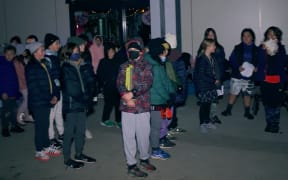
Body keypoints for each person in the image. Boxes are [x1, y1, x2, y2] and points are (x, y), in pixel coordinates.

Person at [117, 39, 155, 177]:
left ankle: (144, 159)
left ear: (141, 52)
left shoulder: (147, 66)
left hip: (142, 105)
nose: (131, 53)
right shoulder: (123, 66)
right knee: (128, 136)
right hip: (127, 106)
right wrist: (125, 97)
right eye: (129, 51)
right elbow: (119, 83)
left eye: (134, 51)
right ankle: (131, 164)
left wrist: (132, 94)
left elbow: (147, 83)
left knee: (143, 135)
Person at [61, 42, 96, 169]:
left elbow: (88, 82)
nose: (77, 54)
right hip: (72, 104)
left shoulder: (81, 65)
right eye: (75, 52)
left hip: (82, 102)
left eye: (78, 52)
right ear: (68, 53)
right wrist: (85, 98)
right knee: (69, 132)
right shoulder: (65, 67)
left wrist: (90, 94)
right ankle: (66, 158)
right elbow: (72, 89)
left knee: (81, 131)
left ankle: (79, 153)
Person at [25, 42, 61, 161]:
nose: (43, 52)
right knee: (40, 127)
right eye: (41, 50)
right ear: (35, 52)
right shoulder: (31, 67)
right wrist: (49, 97)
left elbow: (51, 81)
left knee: (45, 125)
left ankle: (46, 147)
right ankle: (39, 150)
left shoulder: (44, 63)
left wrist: (55, 94)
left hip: (46, 100)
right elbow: (35, 87)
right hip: (38, 102)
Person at [145, 38, 175, 159]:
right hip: (156, 100)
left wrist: (171, 90)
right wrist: (168, 98)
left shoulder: (156, 62)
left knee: (155, 125)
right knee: (156, 126)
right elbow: (158, 86)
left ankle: (154, 145)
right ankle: (155, 150)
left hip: (157, 99)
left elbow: (166, 80)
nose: (165, 54)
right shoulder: (155, 67)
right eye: (163, 52)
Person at [221, 28, 258, 120]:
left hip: (249, 77)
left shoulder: (257, 49)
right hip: (237, 75)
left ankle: (247, 112)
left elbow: (260, 61)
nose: (246, 38)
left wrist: (257, 68)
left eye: (248, 36)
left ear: (252, 37)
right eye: (244, 36)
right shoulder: (237, 47)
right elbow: (231, 59)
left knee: (247, 94)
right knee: (233, 93)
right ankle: (228, 110)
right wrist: (237, 66)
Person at [256, 26, 287, 133]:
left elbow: (282, 62)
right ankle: (269, 123)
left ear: (277, 37)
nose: (272, 36)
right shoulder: (261, 47)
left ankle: (275, 124)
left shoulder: (281, 48)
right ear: (266, 35)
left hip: (278, 80)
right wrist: (265, 52)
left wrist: (275, 51)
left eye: (274, 34)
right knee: (267, 102)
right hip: (265, 80)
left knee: (276, 103)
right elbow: (260, 62)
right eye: (270, 34)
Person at [197, 28, 226, 124]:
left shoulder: (219, 48)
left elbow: (221, 64)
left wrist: (218, 77)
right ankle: (205, 120)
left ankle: (212, 116)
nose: (210, 36)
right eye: (208, 35)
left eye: (212, 35)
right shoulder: (202, 52)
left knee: (214, 99)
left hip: (216, 77)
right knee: (206, 102)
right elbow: (200, 71)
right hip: (207, 81)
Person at [67, 36, 94, 139]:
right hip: (75, 90)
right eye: (82, 44)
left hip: (85, 87)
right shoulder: (70, 59)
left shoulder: (85, 55)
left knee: (83, 111)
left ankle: (83, 128)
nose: (85, 46)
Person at [194, 39, 219, 133]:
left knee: (208, 104)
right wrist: (213, 80)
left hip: (209, 85)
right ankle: (202, 123)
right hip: (203, 86)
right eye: (213, 45)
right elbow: (201, 75)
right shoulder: (201, 59)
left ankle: (207, 121)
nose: (215, 47)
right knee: (203, 105)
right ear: (208, 47)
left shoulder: (211, 57)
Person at [44, 33, 64, 148]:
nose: (59, 45)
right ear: (50, 45)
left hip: (58, 89)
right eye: (56, 43)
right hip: (52, 91)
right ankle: (50, 138)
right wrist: (53, 92)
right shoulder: (47, 58)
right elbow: (49, 77)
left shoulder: (55, 56)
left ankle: (61, 133)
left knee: (58, 113)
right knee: (51, 115)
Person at [0, 45, 24, 137]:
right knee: (6, 111)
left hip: (14, 92)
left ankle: (14, 126)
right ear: (4, 53)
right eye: (7, 54)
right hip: (5, 93)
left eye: (11, 54)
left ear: (14, 55)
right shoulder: (2, 64)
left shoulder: (13, 63)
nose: (9, 56)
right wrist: (2, 92)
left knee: (14, 110)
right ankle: (5, 128)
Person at [97, 43, 122, 128]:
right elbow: (99, 74)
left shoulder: (118, 61)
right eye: (109, 51)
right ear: (106, 52)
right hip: (107, 87)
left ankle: (118, 121)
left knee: (118, 104)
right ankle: (105, 120)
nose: (111, 53)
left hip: (117, 87)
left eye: (112, 51)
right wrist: (104, 82)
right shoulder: (103, 61)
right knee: (108, 104)